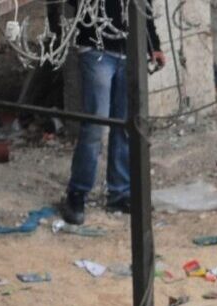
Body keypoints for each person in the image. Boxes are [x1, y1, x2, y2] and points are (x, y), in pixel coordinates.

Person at [52, 0, 166, 224]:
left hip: (130, 50)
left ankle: (120, 193)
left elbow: (145, 8)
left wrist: (154, 45)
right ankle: (77, 193)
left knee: (125, 125)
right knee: (95, 124)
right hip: (97, 50)